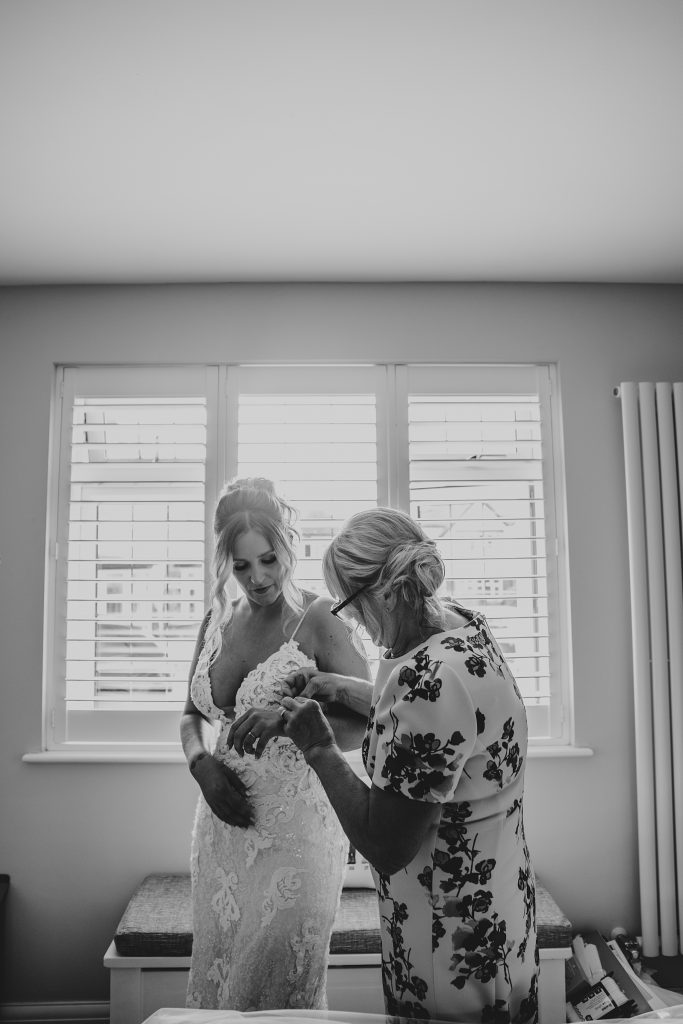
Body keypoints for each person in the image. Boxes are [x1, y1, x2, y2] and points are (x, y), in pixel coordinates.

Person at [278, 507, 538, 1024]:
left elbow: (385, 845)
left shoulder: (423, 682)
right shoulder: (462, 628)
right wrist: (340, 688)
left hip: (448, 939)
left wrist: (320, 748)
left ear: (389, 591)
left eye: (350, 605)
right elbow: (442, 729)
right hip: (501, 908)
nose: (348, 619)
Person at [180, 478, 371, 1010]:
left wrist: (290, 719)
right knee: (219, 985)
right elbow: (193, 713)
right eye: (242, 567)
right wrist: (201, 765)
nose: (257, 578)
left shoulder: (323, 618)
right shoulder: (216, 618)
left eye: (268, 559)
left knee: (282, 995)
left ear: (290, 544)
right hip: (221, 827)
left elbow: (369, 720)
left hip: (297, 838)